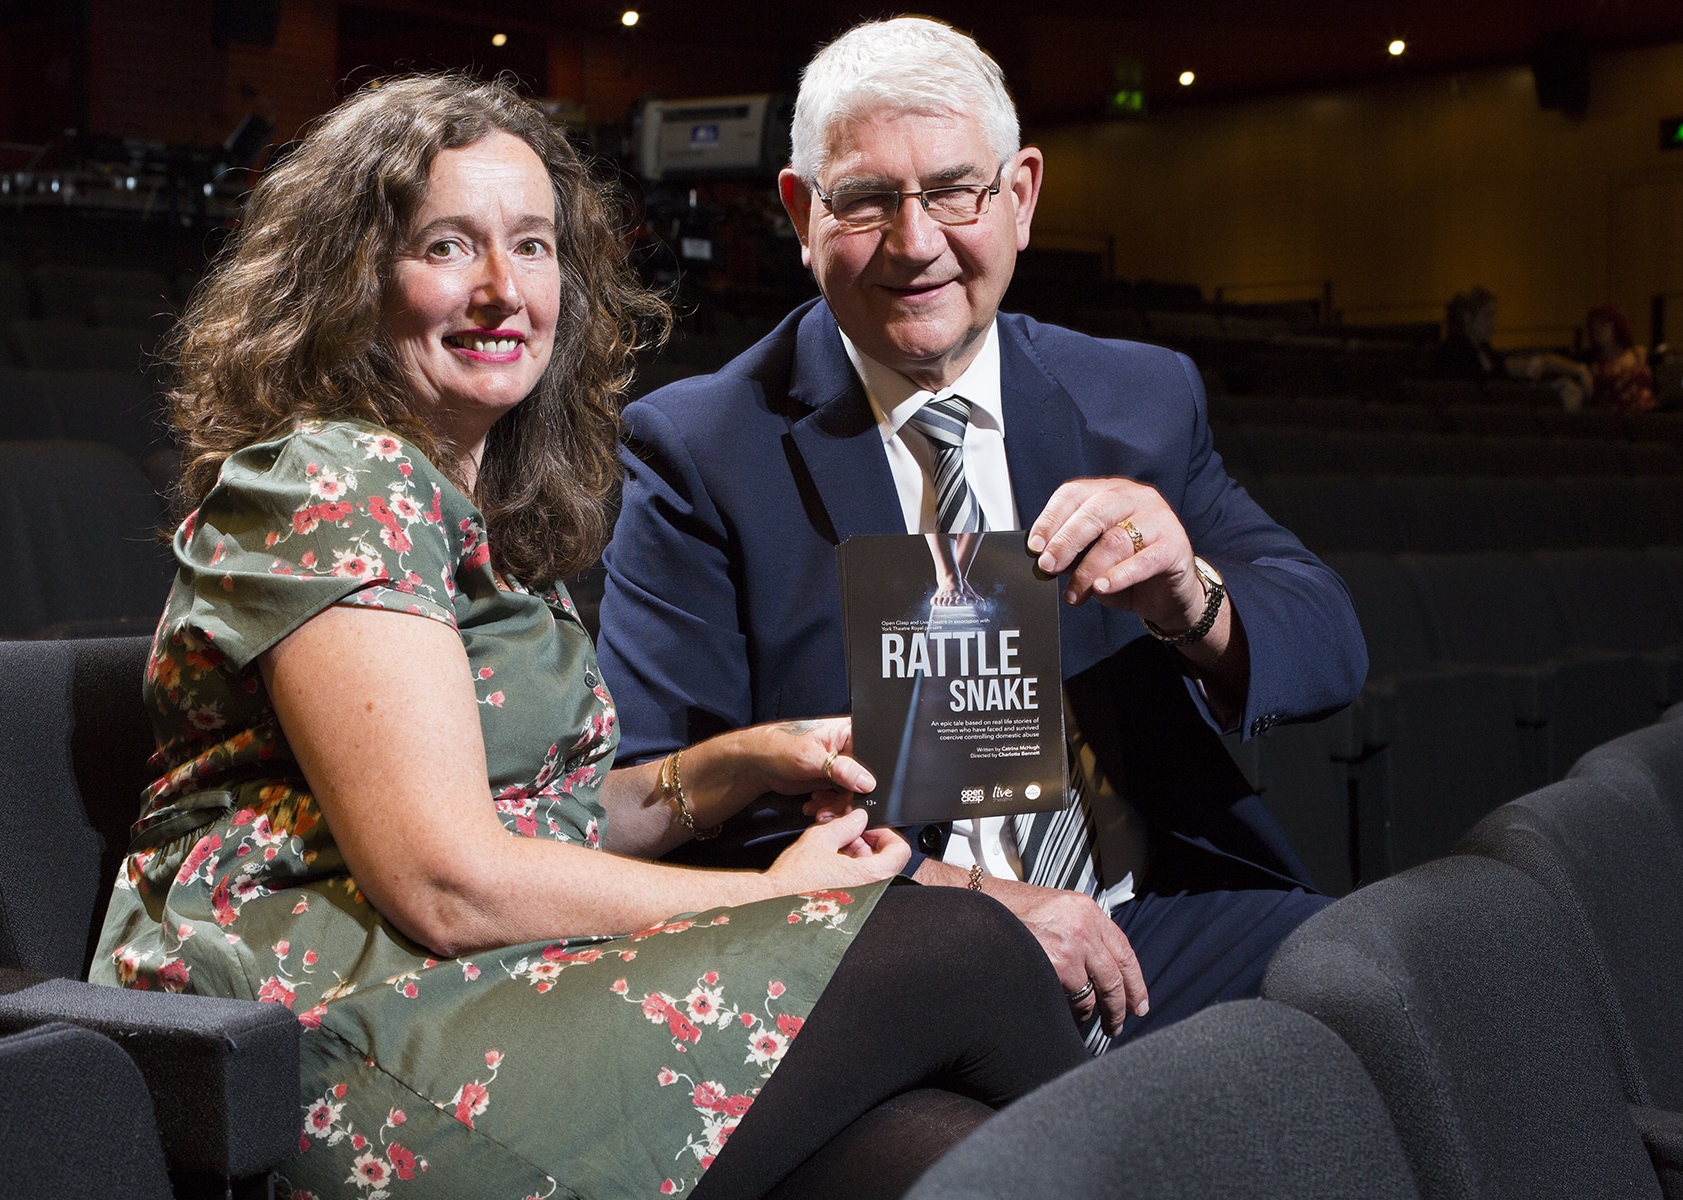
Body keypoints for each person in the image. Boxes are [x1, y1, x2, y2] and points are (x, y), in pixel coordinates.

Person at [90, 75, 1090, 1200]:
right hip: (322, 1036)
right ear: (352, 279)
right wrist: (792, 903)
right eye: (447, 247)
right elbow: (448, 880)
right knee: (963, 950)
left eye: (532, 245)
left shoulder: (475, 509)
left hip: (484, 984)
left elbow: (525, 811)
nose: (500, 290)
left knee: (935, 1150)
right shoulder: (330, 481)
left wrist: (727, 767)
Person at [597, 17, 1369, 1053]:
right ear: (800, 211)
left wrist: (1196, 598)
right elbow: (671, 790)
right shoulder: (702, 449)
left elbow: (1329, 642)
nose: (916, 244)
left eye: (956, 190)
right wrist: (977, 905)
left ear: (1022, 195)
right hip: (892, 938)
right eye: (867, 200)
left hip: (1138, 916)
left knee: (1374, 977)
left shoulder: (1135, 397)